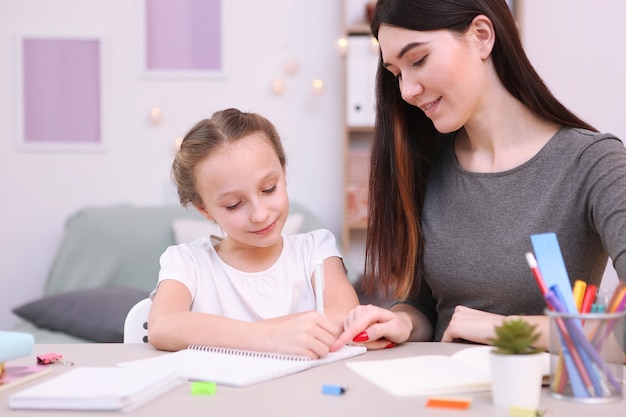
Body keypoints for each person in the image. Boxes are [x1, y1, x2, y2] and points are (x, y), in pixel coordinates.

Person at [332, 0, 626, 355]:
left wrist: (506, 330)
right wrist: (404, 321)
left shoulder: (594, 164)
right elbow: (427, 305)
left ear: (482, 36)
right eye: (396, 73)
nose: (407, 91)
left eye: (418, 60)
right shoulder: (426, 161)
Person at [148, 108, 359, 358]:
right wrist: (270, 338)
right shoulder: (188, 262)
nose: (259, 214)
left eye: (269, 189)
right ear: (205, 209)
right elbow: (163, 326)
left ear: (283, 172)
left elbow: (345, 316)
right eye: (234, 204)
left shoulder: (315, 250)